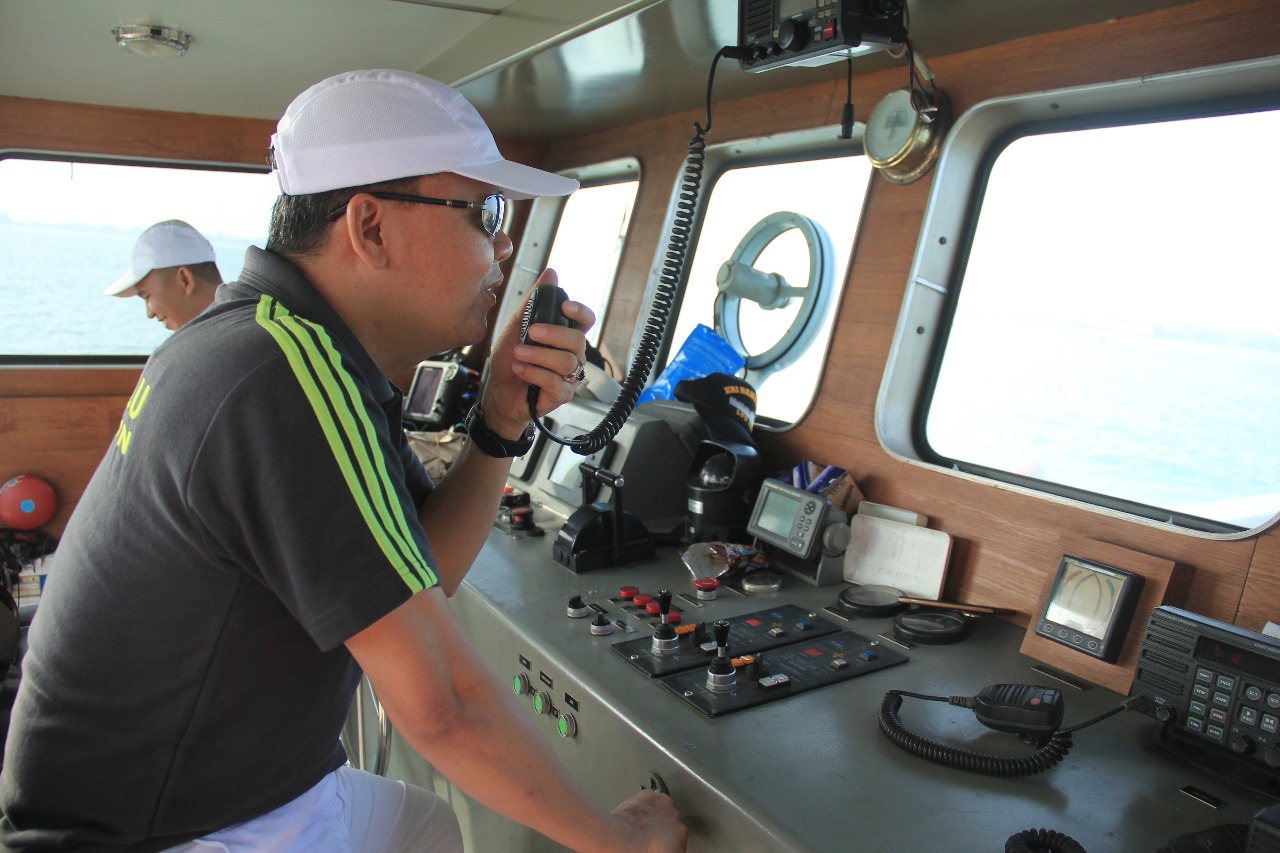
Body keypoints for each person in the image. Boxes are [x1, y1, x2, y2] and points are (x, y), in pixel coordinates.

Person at [0, 69, 686, 853]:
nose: (503, 244)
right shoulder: (282, 377)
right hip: (164, 831)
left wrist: (498, 420)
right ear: (370, 227)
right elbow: (445, 703)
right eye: (484, 211)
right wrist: (619, 838)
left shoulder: (275, 344)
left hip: (198, 790)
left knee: (427, 829)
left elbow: (418, 568)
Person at [104, 219, 223, 330]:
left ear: (185, 280)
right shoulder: (238, 327)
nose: (149, 314)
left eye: (147, 296)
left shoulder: (198, 349)